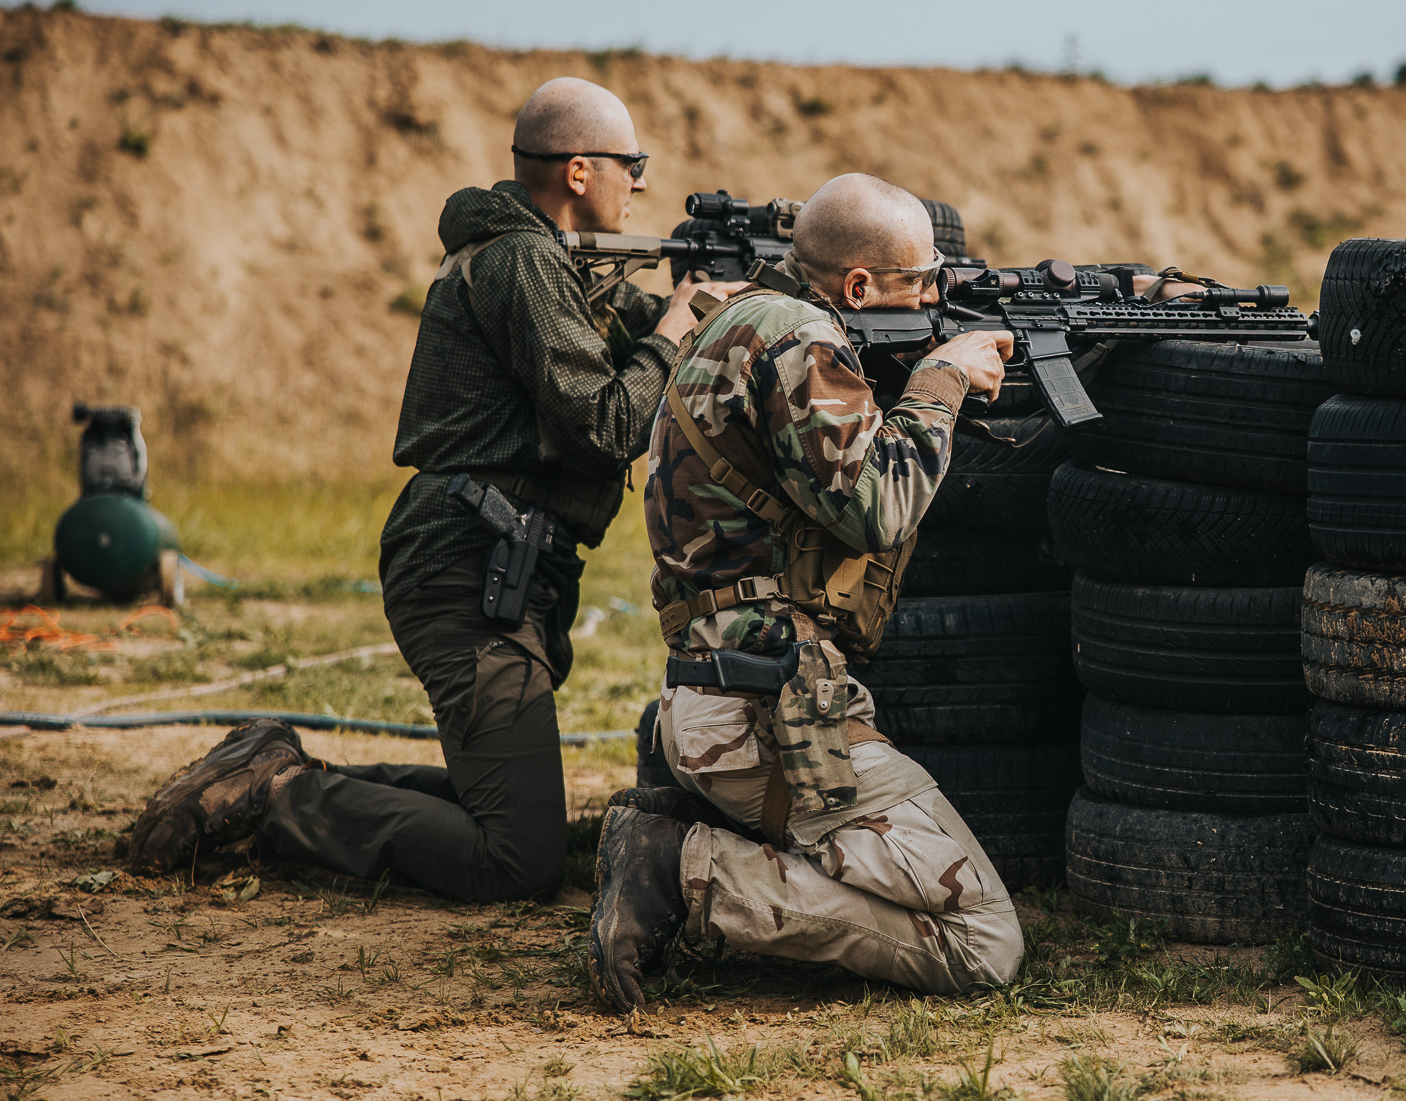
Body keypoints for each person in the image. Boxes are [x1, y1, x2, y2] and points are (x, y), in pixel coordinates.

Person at [129, 77, 746, 902]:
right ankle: (276, 801)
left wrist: (729, 306)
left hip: (488, 563)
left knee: (523, 818)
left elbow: (637, 322)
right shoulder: (524, 262)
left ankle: (277, 773)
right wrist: (676, 326)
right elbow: (604, 425)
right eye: (631, 163)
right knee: (516, 861)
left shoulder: (545, 264)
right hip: (467, 569)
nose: (640, 182)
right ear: (577, 171)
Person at [585, 173, 1024, 1009]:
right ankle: (687, 875)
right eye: (922, 280)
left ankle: (683, 842)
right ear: (858, 286)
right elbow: (879, 507)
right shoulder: (803, 341)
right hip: (770, 725)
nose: (937, 294)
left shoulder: (744, 318)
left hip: (712, 699)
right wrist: (940, 381)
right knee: (985, 938)